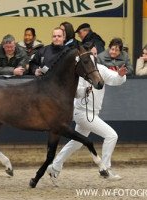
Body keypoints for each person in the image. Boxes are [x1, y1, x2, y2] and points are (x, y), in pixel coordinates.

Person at [47, 47, 127, 185]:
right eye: (91, 54)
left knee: (76, 143)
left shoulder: (101, 69)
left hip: (92, 113)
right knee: (111, 135)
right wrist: (85, 90)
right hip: (82, 113)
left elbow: (115, 80)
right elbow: (74, 92)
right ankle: (105, 168)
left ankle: (54, 167)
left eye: (95, 54)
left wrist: (120, 75)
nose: (93, 57)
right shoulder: (79, 71)